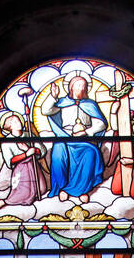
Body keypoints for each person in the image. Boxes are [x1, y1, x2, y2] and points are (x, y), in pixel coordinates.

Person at [41, 72, 107, 203]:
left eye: (84, 86)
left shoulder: (91, 104)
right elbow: (46, 110)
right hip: (64, 138)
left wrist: (87, 132)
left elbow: (101, 123)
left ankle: (82, 190)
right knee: (58, 154)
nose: (81, 89)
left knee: (91, 153)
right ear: (70, 87)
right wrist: (52, 97)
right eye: (78, 85)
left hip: (84, 139)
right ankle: (62, 188)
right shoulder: (61, 103)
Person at [0, 112, 47, 212]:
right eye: (15, 122)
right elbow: (10, 161)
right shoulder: (6, 142)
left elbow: (42, 150)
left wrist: (34, 150)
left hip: (34, 166)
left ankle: (30, 198)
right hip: (21, 170)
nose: (19, 122)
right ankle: (3, 202)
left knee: (42, 189)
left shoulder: (29, 135)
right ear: (9, 126)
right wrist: (26, 154)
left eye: (18, 120)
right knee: (22, 194)